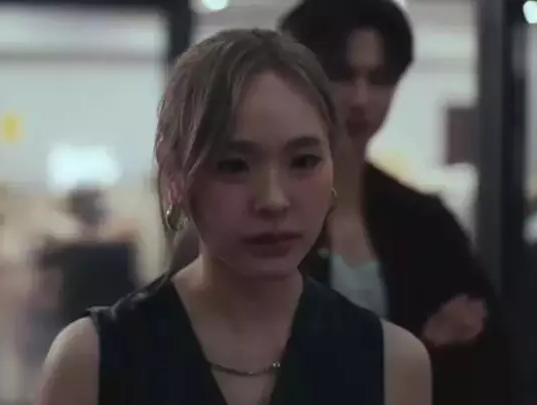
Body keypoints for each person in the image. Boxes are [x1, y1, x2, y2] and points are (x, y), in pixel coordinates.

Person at [37, 29, 431, 405]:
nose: (273, 200)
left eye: (303, 161)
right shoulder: (93, 361)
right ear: (175, 173)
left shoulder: (391, 363)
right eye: (234, 165)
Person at [169, 1, 514, 404]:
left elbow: (488, 353)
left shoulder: (423, 221)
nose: (361, 98)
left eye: (379, 78)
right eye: (342, 75)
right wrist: (417, 349)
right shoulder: (253, 213)